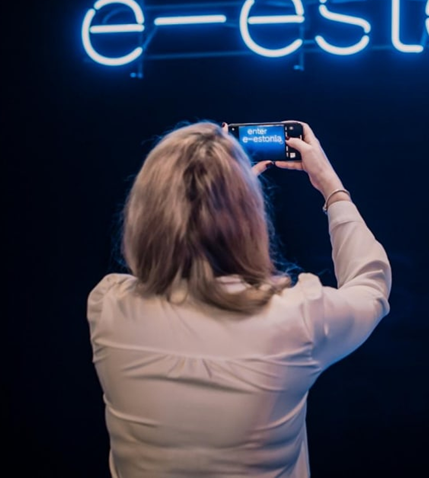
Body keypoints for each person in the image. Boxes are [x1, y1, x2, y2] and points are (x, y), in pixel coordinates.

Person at [86, 119, 391, 477]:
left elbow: (162, 265)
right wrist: (331, 187)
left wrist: (211, 202)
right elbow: (371, 287)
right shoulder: (296, 317)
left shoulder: (108, 306)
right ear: (249, 215)